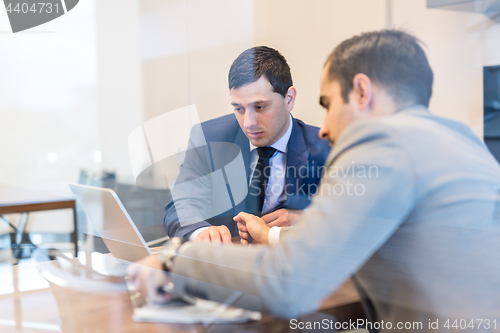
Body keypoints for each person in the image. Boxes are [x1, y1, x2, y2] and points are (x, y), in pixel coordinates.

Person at [131, 30, 500, 331]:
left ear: (360, 91)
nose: (323, 128)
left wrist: (175, 261)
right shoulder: (462, 140)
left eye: (327, 104)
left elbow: (290, 284)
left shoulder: (381, 143)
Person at [164, 46, 330, 243]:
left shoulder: (326, 146)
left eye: (260, 107)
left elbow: (354, 216)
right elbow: (180, 206)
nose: (248, 122)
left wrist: (307, 219)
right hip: (227, 264)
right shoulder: (209, 138)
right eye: (239, 108)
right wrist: (200, 232)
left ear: (289, 99)